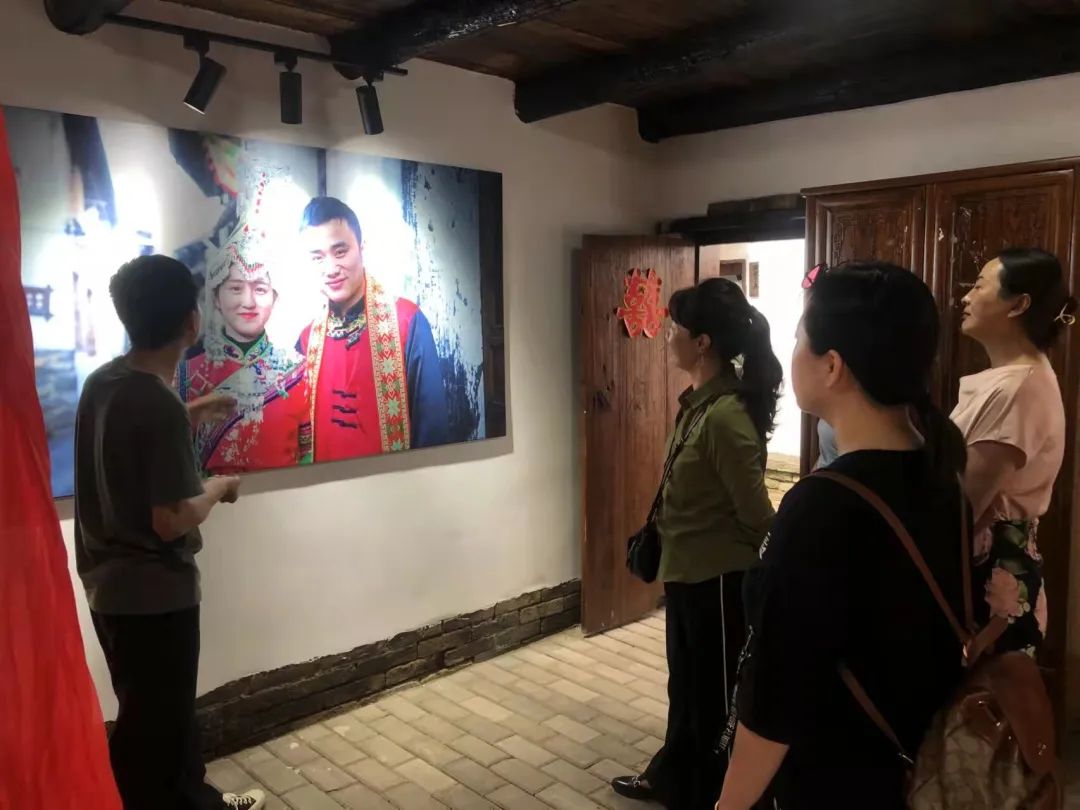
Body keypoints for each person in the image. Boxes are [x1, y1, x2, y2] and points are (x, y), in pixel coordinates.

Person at [718, 263, 969, 810]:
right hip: (920, 768)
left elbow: (777, 696)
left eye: (798, 339)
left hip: (838, 779)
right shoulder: (943, 476)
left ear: (832, 366)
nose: (791, 353)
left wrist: (729, 804)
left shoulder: (821, 507)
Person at [73, 255, 264, 810]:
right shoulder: (156, 404)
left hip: (109, 589)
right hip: (155, 596)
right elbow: (171, 518)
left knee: (153, 719)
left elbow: (131, 435)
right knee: (157, 734)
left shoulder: (104, 382)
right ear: (191, 321)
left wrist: (189, 413)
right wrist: (219, 486)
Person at [612, 277, 781, 810]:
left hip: (720, 582)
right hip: (687, 573)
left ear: (702, 342)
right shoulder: (699, 405)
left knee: (716, 698)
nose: (668, 338)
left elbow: (756, 514)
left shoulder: (726, 416)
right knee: (685, 688)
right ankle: (674, 777)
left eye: (676, 329)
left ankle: (714, 791)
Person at [951, 248, 1078, 655]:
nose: (966, 297)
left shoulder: (1018, 387)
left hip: (990, 576)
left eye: (979, 286)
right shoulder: (1012, 379)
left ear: (1019, 304)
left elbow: (963, 506)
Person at [297, 197, 449, 460]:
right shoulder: (307, 340)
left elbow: (433, 436)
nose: (331, 269)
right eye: (318, 257)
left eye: (340, 252)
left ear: (362, 248)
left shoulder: (407, 323)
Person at [177, 227, 312, 475]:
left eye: (260, 289)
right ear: (216, 298)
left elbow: (309, 459)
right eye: (236, 289)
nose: (248, 302)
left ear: (275, 298)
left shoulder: (300, 372)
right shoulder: (186, 376)